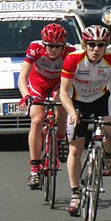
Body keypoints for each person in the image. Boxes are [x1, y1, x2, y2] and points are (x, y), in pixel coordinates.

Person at [60, 25, 111, 215]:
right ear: (85, 44)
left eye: (100, 45)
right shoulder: (73, 59)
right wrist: (73, 114)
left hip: (100, 99)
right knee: (76, 148)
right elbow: (63, 92)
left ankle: (107, 156)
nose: (95, 49)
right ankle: (75, 193)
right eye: (91, 44)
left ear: (106, 46)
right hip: (77, 101)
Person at [18, 23, 76, 189]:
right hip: (39, 83)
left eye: (57, 46)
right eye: (50, 46)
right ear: (44, 44)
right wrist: (25, 97)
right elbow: (23, 77)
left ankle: (60, 137)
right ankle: (35, 169)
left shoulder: (70, 52)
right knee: (37, 120)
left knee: (62, 102)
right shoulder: (35, 48)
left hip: (59, 83)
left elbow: (76, 79)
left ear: (63, 45)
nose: (53, 50)